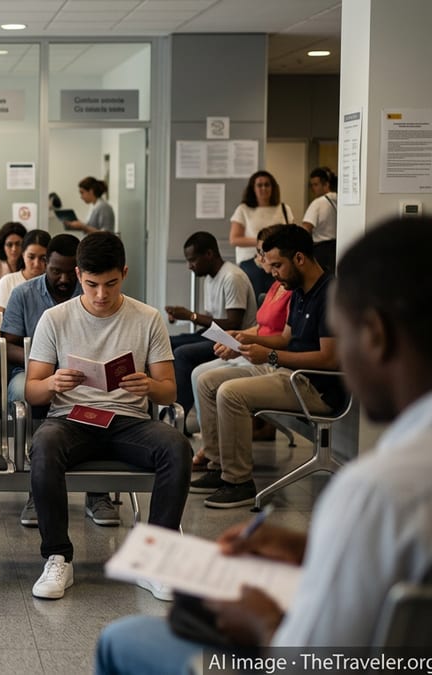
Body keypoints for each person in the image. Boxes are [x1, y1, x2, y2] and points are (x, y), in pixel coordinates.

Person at [94, 216, 432, 672]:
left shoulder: (380, 491)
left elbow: (308, 660)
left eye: (347, 334)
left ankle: (235, 474)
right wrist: (313, 550)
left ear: (374, 335)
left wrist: (259, 622)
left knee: (122, 638)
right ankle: (219, 461)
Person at [24, 231, 190, 601]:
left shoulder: (147, 318)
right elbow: (30, 389)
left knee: (176, 446)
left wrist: (147, 384)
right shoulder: (55, 318)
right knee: (45, 443)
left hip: (127, 421)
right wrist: (52, 381)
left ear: (125, 274)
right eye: (92, 284)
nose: (101, 295)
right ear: (79, 274)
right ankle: (57, 556)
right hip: (71, 418)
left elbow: (170, 391)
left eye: (111, 284)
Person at [191, 225, 339, 508]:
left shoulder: (329, 293)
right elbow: (285, 338)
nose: (272, 272)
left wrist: (269, 356)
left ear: (299, 258)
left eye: (276, 265)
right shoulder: (298, 289)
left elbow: (329, 359)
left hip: (315, 386)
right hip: (289, 373)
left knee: (230, 393)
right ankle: (216, 463)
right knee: (207, 381)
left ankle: (238, 481)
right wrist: (245, 337)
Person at [0, 234, 94, 528]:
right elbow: (6, 344)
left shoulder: (90, 292)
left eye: (69, 271)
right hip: (30, 370)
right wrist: (43, 364)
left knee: (98, 395)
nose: (63, 278)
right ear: (45, 264)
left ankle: (97, 491)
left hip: (83, 374)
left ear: (78, 269)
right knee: (30, 391)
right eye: (55, 271)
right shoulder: (24, 294)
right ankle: (37, 489)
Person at [187, 225, 293, 466]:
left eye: (264, 255)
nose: (260, 259)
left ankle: (226, 463)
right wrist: (238, 337)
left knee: (211, 379)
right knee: (199, 374)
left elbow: (284, 339)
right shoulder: (276, 286)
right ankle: (213, 449)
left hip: (270, 358)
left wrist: (242, 341)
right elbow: (260, 327)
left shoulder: (289, 289)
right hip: (257, 350)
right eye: (260, 253)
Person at [163, 231, 257, 426]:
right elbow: (212, 320)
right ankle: (169, 408)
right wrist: (187, 317)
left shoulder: (232, 277)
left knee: (182, 354)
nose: (190, 266)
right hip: (215, 336)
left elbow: (233, 324)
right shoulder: (210, 278)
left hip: (234, 341)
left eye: (193, 260)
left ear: (209, 254)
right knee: (167, 343)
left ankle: (176, 420)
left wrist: (191, 316)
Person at [230, 171, 295, 296]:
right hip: (252, 262)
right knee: (255, 300)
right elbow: (234, 239)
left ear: (273, 187)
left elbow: (290, 234)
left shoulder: (284, 208)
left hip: (278, 261)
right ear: (253, 188)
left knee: (278, 299)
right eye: (259, 185)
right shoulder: (243, 209)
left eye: (267, 185)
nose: (263, 188)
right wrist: (264, 242)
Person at [0, 229, 50, 332]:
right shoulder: (8, 281)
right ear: (23, 254)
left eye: (43, 258)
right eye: (31, 257)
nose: (36, 263)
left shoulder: (53, 283)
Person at [302, 166, 338, 274]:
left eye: (316, 184)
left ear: (326, 184)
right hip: (337, 247)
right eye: (312, 185)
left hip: (321, 250)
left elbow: (306, 228)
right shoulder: (341, 199)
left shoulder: (318, 203)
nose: (313, 188)